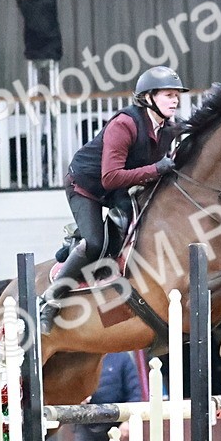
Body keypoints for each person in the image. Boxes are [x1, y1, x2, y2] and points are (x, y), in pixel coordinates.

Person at [38, 66, 189, 335]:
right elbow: (110, 177)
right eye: (168, 94)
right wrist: (156, 170)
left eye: (176, 95)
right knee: (95, 242)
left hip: (121, 186)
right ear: (148, 97)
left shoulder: (168, 128)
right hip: (86, 185)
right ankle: (50, 299)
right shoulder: (125, 124)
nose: (175, 100)